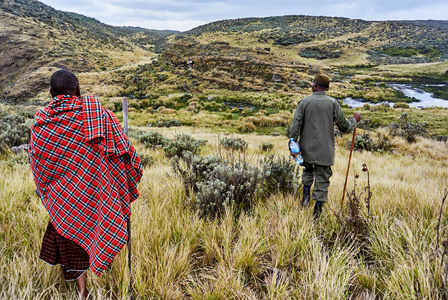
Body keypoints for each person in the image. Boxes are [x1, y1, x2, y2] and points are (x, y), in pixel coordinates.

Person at [29, 70, 142, 299]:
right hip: (98, 197)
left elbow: (39, 165)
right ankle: (96, 282)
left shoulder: (42, 125)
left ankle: (82, 293)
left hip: (64, 203)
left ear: (51, 93)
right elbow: (126, 153)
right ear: (78, 90)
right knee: (99, 231)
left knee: (73, 243)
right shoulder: (100, 116)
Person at [289, 73, 361, 220]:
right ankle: (317, 213)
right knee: (322, 178)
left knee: (307, 172)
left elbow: (294, 127)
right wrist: (354, 120)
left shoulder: (304, 102)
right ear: (326, 87)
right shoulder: (333, 103)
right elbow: (345, 127)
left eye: (312, 83)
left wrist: (293, 147)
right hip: (324, 152)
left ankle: (305, 200)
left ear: (315, 85)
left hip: (305, 150)